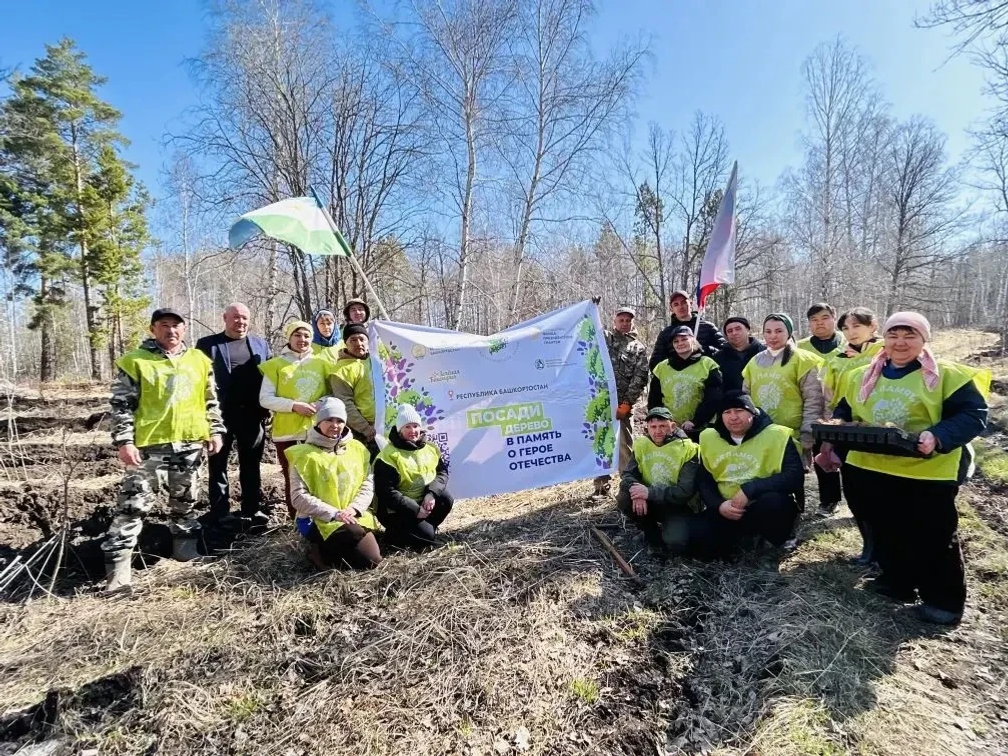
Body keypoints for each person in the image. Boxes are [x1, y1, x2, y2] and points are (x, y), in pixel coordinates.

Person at [826, 312, 989, 625]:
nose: (900, 342)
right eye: (894, 335)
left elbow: (972, 415)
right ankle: (896, 582)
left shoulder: (950, 376)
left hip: (925, 471)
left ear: (924, 339)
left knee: (932, 535)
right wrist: (833, 436)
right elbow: (844, 410)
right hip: (868, 466)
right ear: (884, 339)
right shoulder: (860, 374)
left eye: (909, 335)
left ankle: (943, 600)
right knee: (884, 527)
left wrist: (938, 436)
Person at [102, 308, 225, 593]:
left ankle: (185, 551)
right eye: (164, 325)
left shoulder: (199, 360)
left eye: (176, 326)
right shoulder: (135, 362)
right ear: (153, 330)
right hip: (148, 448)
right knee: (133, 506)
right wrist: (125, 441)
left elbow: (210, 400)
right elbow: (121, 406)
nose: (171, 330)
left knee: (185, 502)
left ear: (184, 330)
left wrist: (215, 430)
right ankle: (118, 573)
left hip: (190, 444)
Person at [690, 392, 804, 558]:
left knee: (775, 503)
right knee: (699, 545)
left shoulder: (776, 435)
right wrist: (718, 505)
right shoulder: (709, 438)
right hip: (727, 507)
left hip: (762, 505)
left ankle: (772, 540)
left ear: (753, 412)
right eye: (726, 412)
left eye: (739, 410)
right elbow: (704, 480)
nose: (733, 417)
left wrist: (750, 489)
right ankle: (742, 540)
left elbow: (794, 476)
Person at [195, 302, 272, 530]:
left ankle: (252, 509)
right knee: (218, 465)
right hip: (220, 416)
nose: (241, 322)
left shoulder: (260, 344)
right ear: (225, 318)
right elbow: (198, 382)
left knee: (251, 464)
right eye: (236, 317)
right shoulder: (207, 345)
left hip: (252, 415)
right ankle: (221, 512)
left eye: (245, 318)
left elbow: (270, 379)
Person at [286, 398, 382, 569]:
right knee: (354, 534)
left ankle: (332, 549)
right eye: (329, 419)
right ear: (319, 422)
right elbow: (298, 497)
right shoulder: (303, 455)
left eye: (339, 421)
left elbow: (368, 482)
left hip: (352, 514)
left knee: (371, 560)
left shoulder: (357, 448)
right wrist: (335, 513)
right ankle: (319, 550)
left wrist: (354, 509)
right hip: (319, 518)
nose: (334, 425)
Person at [818, 307, 885, 537]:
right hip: (846, 426)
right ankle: (867, 541)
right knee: (854, 486)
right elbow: (830, 395)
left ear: (872, 326)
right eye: (846, 328)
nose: (851, 332)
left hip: (880, 428)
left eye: (857, 326)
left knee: (881, 490)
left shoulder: (887, 350)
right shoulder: (838, 358)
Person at [258, 321, 332, 517]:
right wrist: (293, 406)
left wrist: (320, 404)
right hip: (287, 433)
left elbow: (332, 394)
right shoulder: (275, 365)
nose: (303, 340)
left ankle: (322, 519)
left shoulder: (322, 363)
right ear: (289, 338)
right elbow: (265, 399)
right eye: (297, 335)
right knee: (293, 478)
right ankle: (297, 523)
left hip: (317, 431)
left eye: (307, 336)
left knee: (319, 475)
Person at [742, 313, 824, 469]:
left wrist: (808, 433)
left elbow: (813, 400)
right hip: (760, 433)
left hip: (793, 436)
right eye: (768, 331)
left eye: (779, 331)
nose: (773, 336)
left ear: (789, 333)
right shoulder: (754, 361)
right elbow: (746, 398)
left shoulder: (803, 360)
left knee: (791, 481)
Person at [616, 407, 701, 553]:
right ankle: (650, 532)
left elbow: (685, 492)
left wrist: (647, 493)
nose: (657, 431)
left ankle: (671, 531)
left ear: (672, 426)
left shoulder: (688, 449)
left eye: (663, 426)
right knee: (624, 498)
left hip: (678, 505)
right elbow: (627, 475)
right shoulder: (642, 445)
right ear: (647, 428)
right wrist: (637, 491)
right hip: (651, 500)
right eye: (653, 427)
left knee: (676, 544)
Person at [374, 404, 454, 550]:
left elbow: (442, 473)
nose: (413, 431)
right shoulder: (387, 456)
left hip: (423, 501)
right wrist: (415, 510)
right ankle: (395, 535)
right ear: (399, 430)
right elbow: (387, 492)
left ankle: (421, 530)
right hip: (397, 509)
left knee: (445, 499)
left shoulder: (430, 448)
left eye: (416, 426)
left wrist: (431, 494)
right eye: (407, 427)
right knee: (426, 538)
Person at [593, 305, 649, 496]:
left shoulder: (638, 347)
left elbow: (640, 377)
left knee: (625, 446)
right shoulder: (604, 339)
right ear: (615, 321)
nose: (625, 323)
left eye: (628, 320)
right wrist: (593, 307)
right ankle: (601, 486)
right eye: (621, 320)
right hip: (600, 403)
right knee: (601, 443)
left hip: (623, 406)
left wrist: (626, 404)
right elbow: (589, 326)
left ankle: (628, 486)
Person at [648, 325, 722, 439]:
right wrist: (659, 419)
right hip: (669, 428)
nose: (680, 343)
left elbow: (713, 397)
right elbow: (654, 398)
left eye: (684, 339)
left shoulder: (707, 365)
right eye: (676, 341)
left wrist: (696, 421)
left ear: (693, 340)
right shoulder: (662, 367)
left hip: (700, 428)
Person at [329, 323, 378, 457]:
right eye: (353, 340)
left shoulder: (377, 362)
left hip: (384, 424)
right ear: (346, 343)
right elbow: (345, 405)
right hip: (361, 432)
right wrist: (366, 429)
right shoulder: (340, 371)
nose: (358, 343)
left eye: (362, 339)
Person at [649, 290, 728, 368]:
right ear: (671, 309)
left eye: (683, 302)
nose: (680, 306)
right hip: (677, 377)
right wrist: (674, 362)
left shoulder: (707, 327)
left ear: (690, 304)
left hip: (706, 375)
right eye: (676, 304)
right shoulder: (666, 333)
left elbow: (725, 352)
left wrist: (706, 350)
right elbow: (655, 363)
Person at [714, 316, 766, 393]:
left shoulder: (764, 353)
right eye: (729, 331)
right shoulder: (718, 357)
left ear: (747, 330)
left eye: (738, 329)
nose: (734, 333)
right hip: (731, 402)